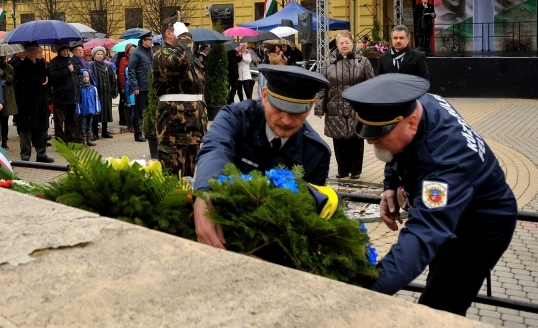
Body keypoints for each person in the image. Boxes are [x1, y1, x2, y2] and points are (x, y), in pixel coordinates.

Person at [342, 74, 517, 316]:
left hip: (480, 231)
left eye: (379, 133)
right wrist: (389, 186)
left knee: (438, 309)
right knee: (437, 276)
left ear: (412, 123)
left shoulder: (446, 165)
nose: (371, 140)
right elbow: (397, 148)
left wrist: (360, 295)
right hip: (450, 216)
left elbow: (421, 238)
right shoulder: (420, 103)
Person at [193, 64, 331, 248]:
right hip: (224, 234)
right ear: (264, 96)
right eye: (280, 108)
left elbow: (306, 216)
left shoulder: (315, 153)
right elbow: (215, 148)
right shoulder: (235, 118)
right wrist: (205, 194)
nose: (287, 120)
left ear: (310, 107)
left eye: (297, 112)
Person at [152, 13, 208, 176]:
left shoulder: (186, 54)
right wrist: (185, 38)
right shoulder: (162, 54)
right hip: (174, 123)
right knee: (173, 172)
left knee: (190, 174)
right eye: (180, 28)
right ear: (169, 33)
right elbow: (177, 63)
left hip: (194, 122)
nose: (186, 32)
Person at [314, 31, 374, 180]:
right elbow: (322, 88)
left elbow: (371, 85)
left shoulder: (363, 62)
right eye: (341, 43)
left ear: (352, 44)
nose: (344, 45)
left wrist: (371, 108)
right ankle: (342, 169)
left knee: (356, 139)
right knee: (339, 139)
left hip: (356, 107)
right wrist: (319, 108)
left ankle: (355, 170)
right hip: (335, 107)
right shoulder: (328, 63)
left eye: (347, 42)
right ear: (337, 45)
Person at [13, 41, 53, 162]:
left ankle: (41, 153)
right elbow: (18, 84)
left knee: (42, 128)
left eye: (35, 49)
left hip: (41, 102)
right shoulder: (19, 66)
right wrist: (35, 81)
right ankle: (25, 155)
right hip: (27, 102)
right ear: (25, 51)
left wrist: (47, 74)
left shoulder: (43, 64)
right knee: (26, 130)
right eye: (30, 50)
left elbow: (49, 82)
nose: (33, 52)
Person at [48, 43, 81, 144]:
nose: (65, 52)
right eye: (63, 50)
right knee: (59, 121)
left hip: (72, 95)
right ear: (59, 51)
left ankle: (71, 139)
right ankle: (60, 141)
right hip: (61, 96)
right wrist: (67, 70)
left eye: (67, 50)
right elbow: (53, 76)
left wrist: (75, 69)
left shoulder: (72, 60)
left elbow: (78, 71)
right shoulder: (54, 62)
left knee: (71, 120)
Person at [128, 31, 153, 143]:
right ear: (143, 40)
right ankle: (138, 134)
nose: (151, 41)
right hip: (141, 87)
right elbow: (131, 71)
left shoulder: (150, 51)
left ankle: (148, 132)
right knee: (139, 112)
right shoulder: (136, 53)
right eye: (149, 39)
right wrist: (135, 86)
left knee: (149, 111)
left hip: (150, 86)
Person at [90, 46, 118, 140]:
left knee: (106, 111)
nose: (100, 56)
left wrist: (113, 90)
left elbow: (112, 78)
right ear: (94, 55)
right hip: (97, 93)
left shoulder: (107, 66)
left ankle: (105, 131)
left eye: (102, 54)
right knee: (96, 113)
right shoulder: (91, 66)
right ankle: (94, 133)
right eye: (98, 54)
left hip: (106, 92)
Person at [76, 70, 100, 147]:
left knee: (90, 125)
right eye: (84, 77)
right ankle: (84, 141)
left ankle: (89, 140)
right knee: (83, 125)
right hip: (83, 110)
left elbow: (96, 99)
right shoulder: (80, 89)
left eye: (87, 77)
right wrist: (78, 110)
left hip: (91, 110)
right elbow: (78, 101)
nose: (86, 79)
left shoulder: (93, 88)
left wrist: (97, 109)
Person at [0, 56, 18, 145]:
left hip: (7, 95)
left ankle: (4, 140)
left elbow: (14, 79)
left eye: (3, 58)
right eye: (0, 59)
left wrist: (4, 74)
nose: (2, 60)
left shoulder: (9, 67)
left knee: (4, 119)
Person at [117, 43, 135, 132]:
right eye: (131, 50)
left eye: (134, 49)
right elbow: (121, 74)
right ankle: (125, 121)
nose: (133, 51)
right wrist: (123, 86)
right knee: (126, 103)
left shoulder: (136, 58)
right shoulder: (124, 60)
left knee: (133, 106)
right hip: (126, 85)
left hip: (134, 85)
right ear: (127, 51)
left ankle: (132, 123)